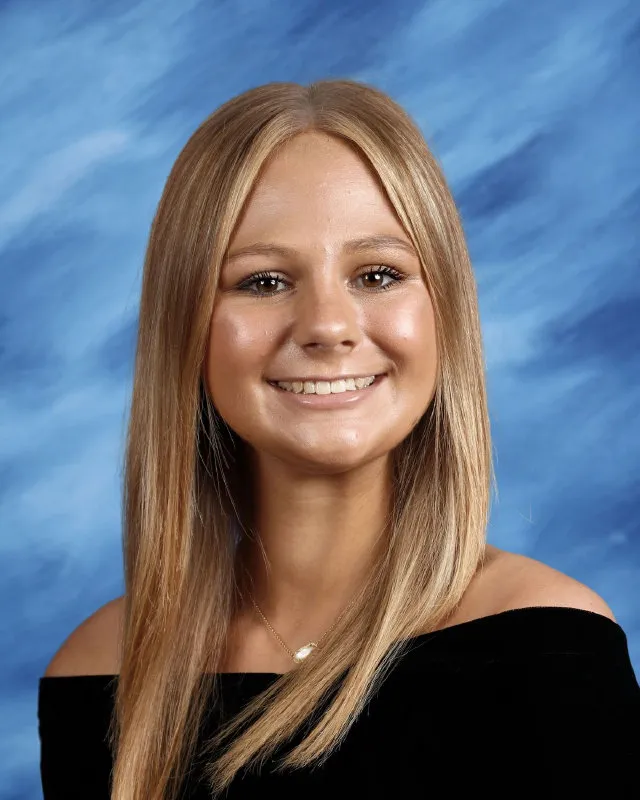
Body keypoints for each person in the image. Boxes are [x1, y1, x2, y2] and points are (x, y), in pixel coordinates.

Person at [38, 79, 640, 799]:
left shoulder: (548, 648)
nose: (328, 325)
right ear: (185, 330)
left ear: (445, 313)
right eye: (264, 282)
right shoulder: (98, 673)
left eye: (378, 275)